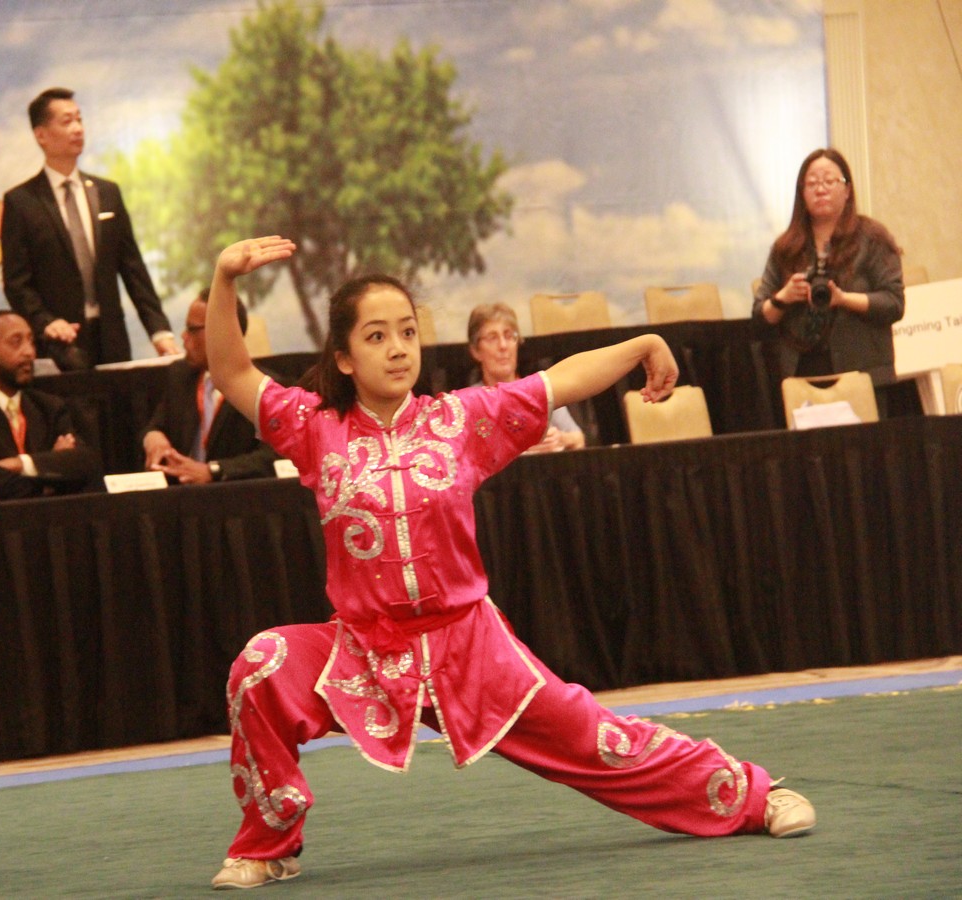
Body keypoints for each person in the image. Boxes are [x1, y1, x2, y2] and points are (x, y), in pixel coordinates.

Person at [203, 237, 816, 890]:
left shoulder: (459, 419)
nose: (398, 348)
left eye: (407, 332)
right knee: (261, 666)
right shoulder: (312, 427)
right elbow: (233, 373)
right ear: (344, 358)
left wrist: (642, 344)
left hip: (470, 650)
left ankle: (748, 795)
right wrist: (224, 280)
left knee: (597, 741)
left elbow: (561, 381)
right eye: (376, 336)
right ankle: (268, 846)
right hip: (365, 652)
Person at [1, 87, 178, 370]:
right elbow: (17, 283)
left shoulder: (107, 193)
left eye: (79, 119)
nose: (77, 129)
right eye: (66, 121)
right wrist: (46, 323)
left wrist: (159, 332)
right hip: (59, 345)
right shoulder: (21, 202)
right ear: (41, 135)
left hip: (112, 339)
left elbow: (133, 270)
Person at [753, 147, 905, 417]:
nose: (820, 189)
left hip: (862, 374)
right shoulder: (786, 248)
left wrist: (843, 299)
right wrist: (784, 297)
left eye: (829, 181)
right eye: (812, 183)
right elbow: (759, 319)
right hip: (801, 377)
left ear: (847, 190)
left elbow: (894, 304)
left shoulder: (872, 238)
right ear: (802, 193)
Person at [0, 310, 103, 500]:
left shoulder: (50, 407)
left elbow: (85, 464)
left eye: (31, 341)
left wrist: (21, 463)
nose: (29, 352)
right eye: (16, 342)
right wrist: (50, 473)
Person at [141, 289, 277, 484]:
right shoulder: (180, 376)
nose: (183, 336)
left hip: (233, 495)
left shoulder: (266, 389)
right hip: (180, 495)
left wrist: (213, 471)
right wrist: (154, 438)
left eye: (192, 329)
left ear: (224, 332)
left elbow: (273, 457)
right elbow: (156, 425)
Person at [468, 302, 585, 451]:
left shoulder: (539, 389)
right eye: (492, 338)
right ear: (475, 351)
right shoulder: (470, 401)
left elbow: (579, 439)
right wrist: (524, 449)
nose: (503, 346)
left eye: (509, 336)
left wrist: (560, 438)